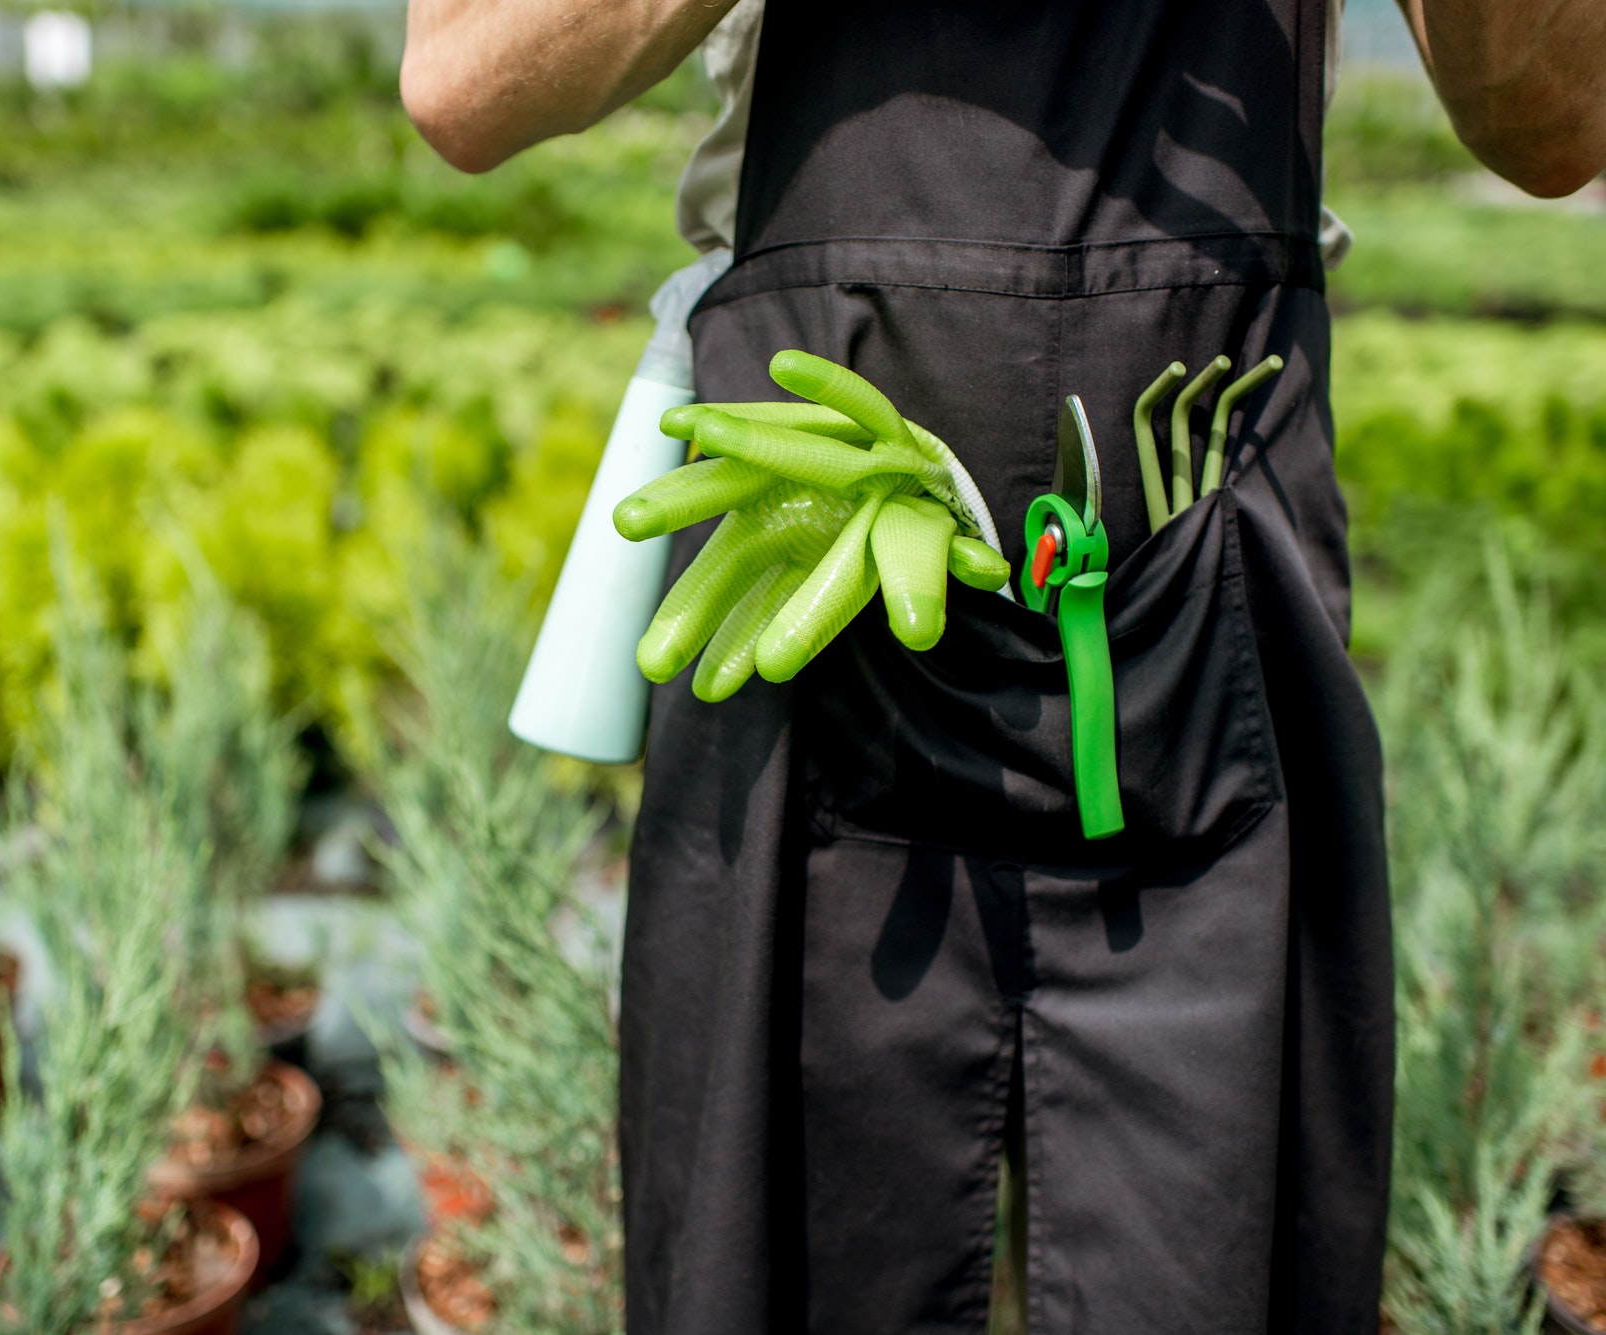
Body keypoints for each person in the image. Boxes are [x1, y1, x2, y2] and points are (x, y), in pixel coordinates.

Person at [400, 2, 1606, 1332]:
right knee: (773, 1267)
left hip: (1210, 584)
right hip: (817, 557)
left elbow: (1556, 132)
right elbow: (463, 83)